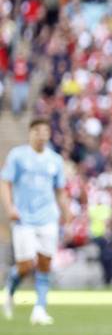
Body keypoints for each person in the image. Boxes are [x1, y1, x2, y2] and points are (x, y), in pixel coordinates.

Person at [1, 118, 70, 324]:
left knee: (45, 263)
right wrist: (9, 207)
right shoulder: (18, 156)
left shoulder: (55, 160)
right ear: (30, 133)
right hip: (24, 218)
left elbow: (59, 190)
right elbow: (5, 182)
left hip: (48, 217)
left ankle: (39, 309)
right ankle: (10, 288)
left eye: (45, 131)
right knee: (25, 266)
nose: (41, 135)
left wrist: (66, 211)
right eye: (38, 131)